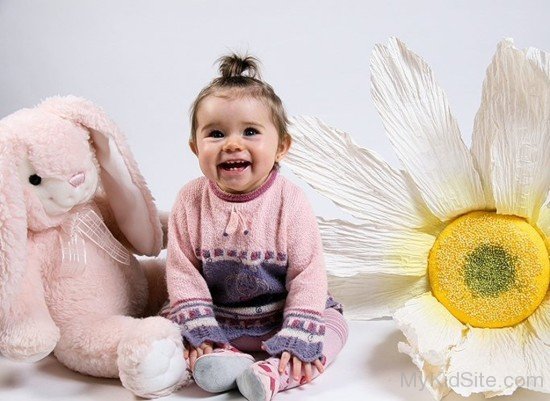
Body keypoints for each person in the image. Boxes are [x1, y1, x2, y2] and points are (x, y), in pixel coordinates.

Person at [162, 53, 348, 401]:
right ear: (195, 148)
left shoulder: (290, 201)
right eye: (216, 134)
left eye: (250, 131)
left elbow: (308, 273)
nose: (233, 143)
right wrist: (202, 331)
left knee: (332, 325)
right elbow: (182, 271)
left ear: (281, 146)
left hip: (281, 316)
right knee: (167, 321)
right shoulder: (190, 200)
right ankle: (220, 359)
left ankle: (277, 372)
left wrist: (297, 332)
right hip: (218, 318)